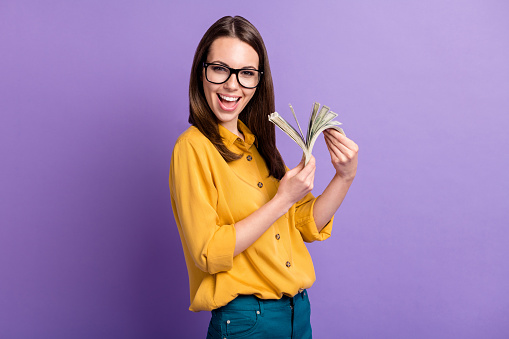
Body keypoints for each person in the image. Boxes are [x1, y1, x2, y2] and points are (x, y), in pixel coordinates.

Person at [169, 15, 358, 339]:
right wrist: (283, 198)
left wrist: (344, 177)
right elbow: (208, 252)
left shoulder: (259, 146)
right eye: (219, 69)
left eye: (246, 74)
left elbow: (304, 225)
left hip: (297, 314)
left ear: (258, 81)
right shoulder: (192, 148)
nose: (232, 85)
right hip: (247, 321)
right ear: (202, 72)